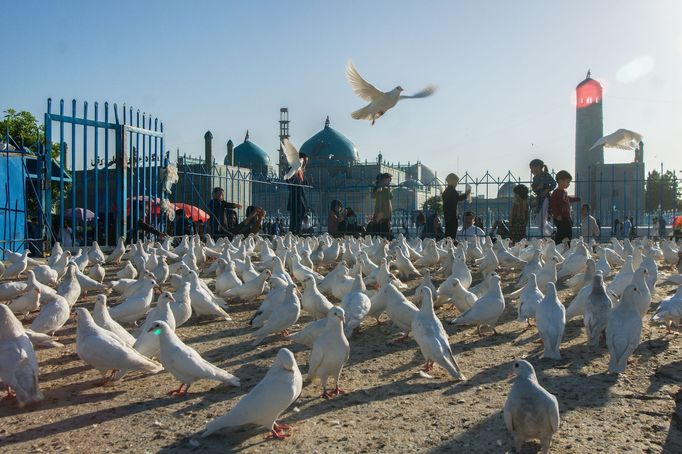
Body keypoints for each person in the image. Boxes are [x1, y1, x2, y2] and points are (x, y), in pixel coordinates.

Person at [549, 170, 580, 243]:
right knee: (562, 233)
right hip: (560, 217)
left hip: (566, 217)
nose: (568, 184)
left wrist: (575, 199)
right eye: (568, 182)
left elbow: (567, 200)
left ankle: (566, 246)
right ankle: (559, 245)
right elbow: (553, 204)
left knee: (568, 232)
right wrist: (557, 214)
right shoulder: (556, 192)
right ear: (560, 181)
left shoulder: (564, 192)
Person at [530, 158, 557, 237]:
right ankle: (552, 232)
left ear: (538, 167)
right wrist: (536, 188)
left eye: (532, 169)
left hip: (545, 198)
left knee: (542, 218)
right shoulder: (535, 178)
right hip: (539, 199)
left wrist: (547, 189)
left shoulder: (546, 175)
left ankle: (542, 236)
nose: (531, 171)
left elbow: (553, 184)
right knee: (538, 219)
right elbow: (534, 189)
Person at [441, 173, 471, 239]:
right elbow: (458, 198)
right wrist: (466, 194)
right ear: (452, 181)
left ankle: (448, 244)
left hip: (448, 215)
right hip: (451, 216)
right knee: (451, 234)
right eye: (456, 181)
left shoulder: (447, 191)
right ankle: (449, 245)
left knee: (448, 233)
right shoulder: (451, 190)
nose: (457, 183)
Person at [287, 152, 309, 235]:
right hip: (295, 200)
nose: (306, 163)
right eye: (305, 160)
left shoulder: (301, 171)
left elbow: (304, 183)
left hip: (301, 200)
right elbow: (289, 180)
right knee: (294, 221)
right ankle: (293, 235)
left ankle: (297, 233)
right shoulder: (293, 168)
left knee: (299, 221)